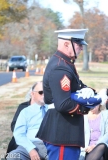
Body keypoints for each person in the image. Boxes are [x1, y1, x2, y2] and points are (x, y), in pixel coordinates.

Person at [36, 29, 99, 160]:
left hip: (65, 129)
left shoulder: (65, 64)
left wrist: (91, 92)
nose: (81, 47)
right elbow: (63, 104)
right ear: (66, 44)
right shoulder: (61, 67)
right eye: (78, 44)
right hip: (62, 131)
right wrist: (87, 107)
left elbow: (78, 85)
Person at [7, 81, 48, 160]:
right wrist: (31, 149)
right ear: (32, 94)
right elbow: (19, 134)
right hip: (30, 144)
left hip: (49, 145)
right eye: (41, 92)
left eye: (46, 92)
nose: (44, 95)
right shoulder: (26, 111)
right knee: (13, 156)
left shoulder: (53, 109)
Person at [6, 85, 36, 155]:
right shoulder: (22, 106)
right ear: (31, 94)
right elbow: (14, 123)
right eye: (40, 92)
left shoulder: (44, 107)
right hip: (22, 134)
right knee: (14, 144)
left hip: (36, 137)